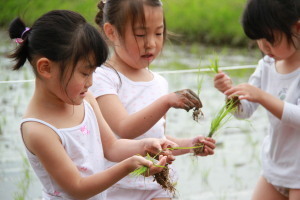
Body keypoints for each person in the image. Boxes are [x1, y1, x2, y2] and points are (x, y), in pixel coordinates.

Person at [8, 10, 177, 200]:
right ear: (46, 68)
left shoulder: (86, 99)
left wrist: (146, 145)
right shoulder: (39, 129)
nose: (91, 82)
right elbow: (78, 189)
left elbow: (112, 147)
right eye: (84, 73)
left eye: (94, 72)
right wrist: (128, 166)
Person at [91, 0, 216, 199]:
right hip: (118, 186)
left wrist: (191, 144)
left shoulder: (159, 82)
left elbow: (158, 139)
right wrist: (166, 101)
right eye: (140, 34)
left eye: (158, 33)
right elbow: (124, 128)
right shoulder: (102, 77)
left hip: (156, 183)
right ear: (112, 32)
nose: (151, 43)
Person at [214, 0, 300, 199]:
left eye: (270, 40)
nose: (264, 47)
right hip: (274, 169)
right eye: (259, 40)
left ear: (297, 28)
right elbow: (244, 111)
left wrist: (262, 97)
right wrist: (229, 93)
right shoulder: (267, 65)